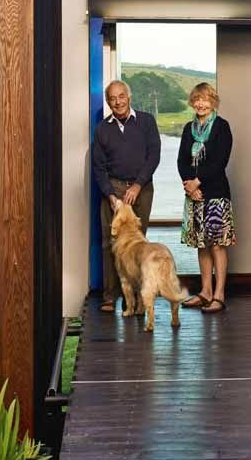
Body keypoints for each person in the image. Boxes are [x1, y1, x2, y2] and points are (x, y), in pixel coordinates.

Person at [92, 79, 161, 312]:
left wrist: (138, 185)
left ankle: (140, 299)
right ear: (108, 102)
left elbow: (154, 156)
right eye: (112, 98)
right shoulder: (102, 128)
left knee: (138, 243)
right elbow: (98, 167)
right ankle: (110, 296)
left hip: (141, 189)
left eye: (121, 96)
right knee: (109, 243)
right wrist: (111, 195)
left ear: (128, 97)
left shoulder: (146, 121)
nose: (117, 101)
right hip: (113, 188)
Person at [177, 82, 235, 313]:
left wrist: (197, 181)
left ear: (213, 102)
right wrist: (190, 187)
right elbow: (182, 160)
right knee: (202, 245)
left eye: (205, 99)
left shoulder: (222, 127)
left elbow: (219, 161)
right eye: (197, 99)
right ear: (193, 101)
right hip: (195, 195)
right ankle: (205, 292)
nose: (200, 103)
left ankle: (219, 295)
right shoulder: (187, 129)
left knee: (217, 245)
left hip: (217, 194)